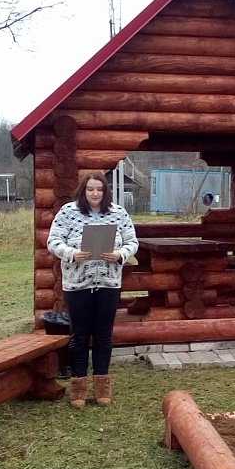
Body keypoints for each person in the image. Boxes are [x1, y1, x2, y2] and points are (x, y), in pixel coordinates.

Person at [47, 170, 139, 408]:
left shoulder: (118, 213)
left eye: (99, 189)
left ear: (105, 191)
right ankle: (78, 386)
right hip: (77, 284)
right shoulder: (68, 212)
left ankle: (102, 385)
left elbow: (132, 242)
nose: (95, 193)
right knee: (79, 334)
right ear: (83, 190)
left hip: (108, 283)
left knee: (103, 334)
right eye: (90, 189)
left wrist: (120, 254)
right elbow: (53, 241)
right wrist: (72, 254)